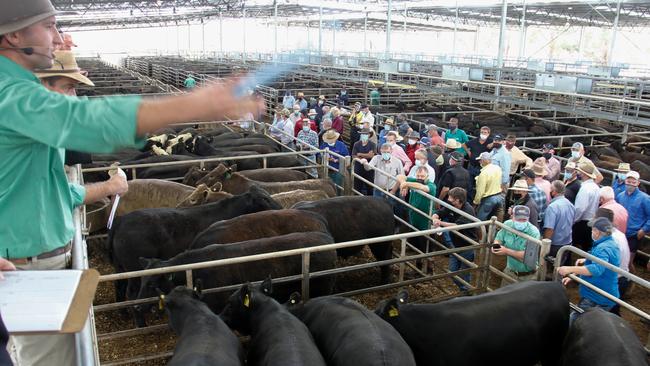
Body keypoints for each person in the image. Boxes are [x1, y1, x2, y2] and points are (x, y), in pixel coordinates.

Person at [0, 2, 260, 365]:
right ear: (14, 35)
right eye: (50, 26)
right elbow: (85, 122)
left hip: (36, 266)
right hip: (26, 269)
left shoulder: (17, 90)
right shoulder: (9, 93)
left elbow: (40, 188)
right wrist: (193, 105)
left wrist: (104, 189)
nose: (59, 37)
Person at [558, 217, 620, 321]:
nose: (591, 232)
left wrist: (569, 269)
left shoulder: (602, 248)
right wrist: (575, 275)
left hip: (596, 296)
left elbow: (596, 269)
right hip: (606, 293)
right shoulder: (611, 243)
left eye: (592, 229)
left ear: (597, 232)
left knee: (576, 321)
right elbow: (601, 263)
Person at [431, 187, 478, 291]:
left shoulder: (468, 210)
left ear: (457, 200)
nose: (448, 199)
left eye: (450, 197)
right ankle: (464, 289)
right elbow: (440, 212)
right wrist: (435, 217)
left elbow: (456, 226)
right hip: (455, 244)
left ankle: (466, 292)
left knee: (464, 273)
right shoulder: (452, 205)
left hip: (467, 246)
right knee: (452, 272)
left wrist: (440, 223)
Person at [492, 205, 541, 285]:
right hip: (510, 272)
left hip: (528, 276)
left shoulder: (534, 232)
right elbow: (498, 238)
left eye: (524, 219)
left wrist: (506, 251)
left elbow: (528, 255)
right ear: (512, 216)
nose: (521, 222)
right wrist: (496, 246)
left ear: (528, 218)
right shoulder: (507, 224)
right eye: (518, 219)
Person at [593, 208, 630, 314]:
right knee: (613, 311)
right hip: (622, 278)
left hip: (611, 281)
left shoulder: (608, 239)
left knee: (600, 314)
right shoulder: (619, 234)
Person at [615, 170, 650, 274]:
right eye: (628, 181)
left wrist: (643, 230)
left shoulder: (645, 198)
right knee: (618, 259)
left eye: (633, 182)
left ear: (638, 183)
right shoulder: (620, 196)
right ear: (625, 181)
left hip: (634, 234)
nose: (630, 184)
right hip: (620, 232)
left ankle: (632, 281)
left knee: (628, 262)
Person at [398, 166, 437, 251]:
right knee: (413, 233)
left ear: (427, 176)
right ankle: (413, 248)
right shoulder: (415, 181)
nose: (420, 178)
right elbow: (400, 176)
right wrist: (403, 182)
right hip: (414, 214)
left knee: (425, 242)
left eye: (422, 176)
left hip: (425, 217)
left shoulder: (431, 185)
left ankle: (427, 258)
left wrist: (407, 184)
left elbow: (423, 188)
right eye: (418, 176)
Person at [543, 180, 576, 267]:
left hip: (555, 245)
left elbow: (549, 229)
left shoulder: (552, 207)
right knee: (560, 267)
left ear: (554, 192)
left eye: (551, 189)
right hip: (567, 242)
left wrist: (545, 244)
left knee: (548, 268)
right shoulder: (570, 204)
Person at [573, 163, 601, 251]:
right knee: (587, 247)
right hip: (591, 220)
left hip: (582, 222)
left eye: (579, 171)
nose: (577, 173)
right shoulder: (596, 187)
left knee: (572, 244)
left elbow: (580, 208)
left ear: (583, 174)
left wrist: (574, 220)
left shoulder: (585, 188)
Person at [473, 152, 504, 221]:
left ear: (484, 161)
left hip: (489, 199)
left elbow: (480, 192)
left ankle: (480, 232)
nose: (479, 162)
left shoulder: (484, 173)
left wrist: (475, 203)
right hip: (499, 196)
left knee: (479, 221)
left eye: (480, 160)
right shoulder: (497, 168)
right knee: (497, 221)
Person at [352, 128, 376, 195]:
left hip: (369, 169)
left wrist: (360, 154)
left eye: (365, 134)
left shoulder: (372, 144)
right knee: (357, 186)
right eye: (362, 134)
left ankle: (370, 200)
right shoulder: (356, 144)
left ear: (369, 135)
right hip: (358, 168)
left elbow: (371, 155)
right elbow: (354, 155)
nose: (363, 135)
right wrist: (363, 157)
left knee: (370, 187)